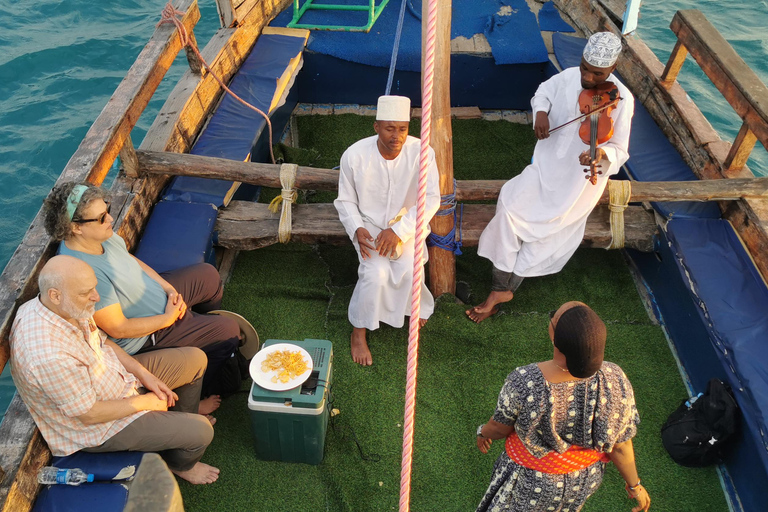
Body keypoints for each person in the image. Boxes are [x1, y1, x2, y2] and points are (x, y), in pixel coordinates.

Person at [467, 32, 635, 323]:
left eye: (598, 73)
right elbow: (542, 93)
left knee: (550, 234)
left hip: (578, 185)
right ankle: (500, 287)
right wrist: (541, 113)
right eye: (585, 68)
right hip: (544, 169)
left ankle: (502, 290)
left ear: (613, 68)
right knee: (509, 210)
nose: (589, 77)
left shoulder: (623, 100)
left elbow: (620, 149)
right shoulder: (568, 76)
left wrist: (601, 155)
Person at [10, 256, 219, 484]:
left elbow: (103, 342)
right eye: (86, 293)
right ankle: (180, 464)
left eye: (94, 288)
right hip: (101, 427)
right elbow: (89, 414)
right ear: (55, 295)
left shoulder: (66, 305)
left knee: (195, 359)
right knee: (202, 432)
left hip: (116, 379)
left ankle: (175, 423)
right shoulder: (47, 356)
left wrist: (145, 375)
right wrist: (147, 402)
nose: (96, 297)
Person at [42, 182, 240, 408]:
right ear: (76, 227)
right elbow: (118, 328)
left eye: (107, 210)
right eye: (100, 218)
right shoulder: (83, 272)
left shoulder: (98, 236)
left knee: (208, 276)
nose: (110, 220)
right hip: (147, 335)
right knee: (228, 331)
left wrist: (169, 288)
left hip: (160, 301)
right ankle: (196, 397)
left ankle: (198, 327)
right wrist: (168, 318)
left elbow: (131, 260)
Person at [475, 301, 650, 512]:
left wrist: (482, 432)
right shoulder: (615, 378)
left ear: (554, 336)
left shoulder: (524, 380)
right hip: (583, 479)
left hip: (530, 482)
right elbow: (621, 445)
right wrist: (635, 486)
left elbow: (499, 428)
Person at [334, 95, 440, 365]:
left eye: (402, 128)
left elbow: (430, 199)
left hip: (406, 224)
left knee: (411, 265)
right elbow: (345, 200)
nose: (397, 135)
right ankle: (359, 332)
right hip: (368, 225)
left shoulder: (423, 152)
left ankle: (412, 309)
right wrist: (357, 227)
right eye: (390, 128)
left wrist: (400, 230)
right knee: (376, 272)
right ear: (376, 127)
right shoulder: (355, 155)